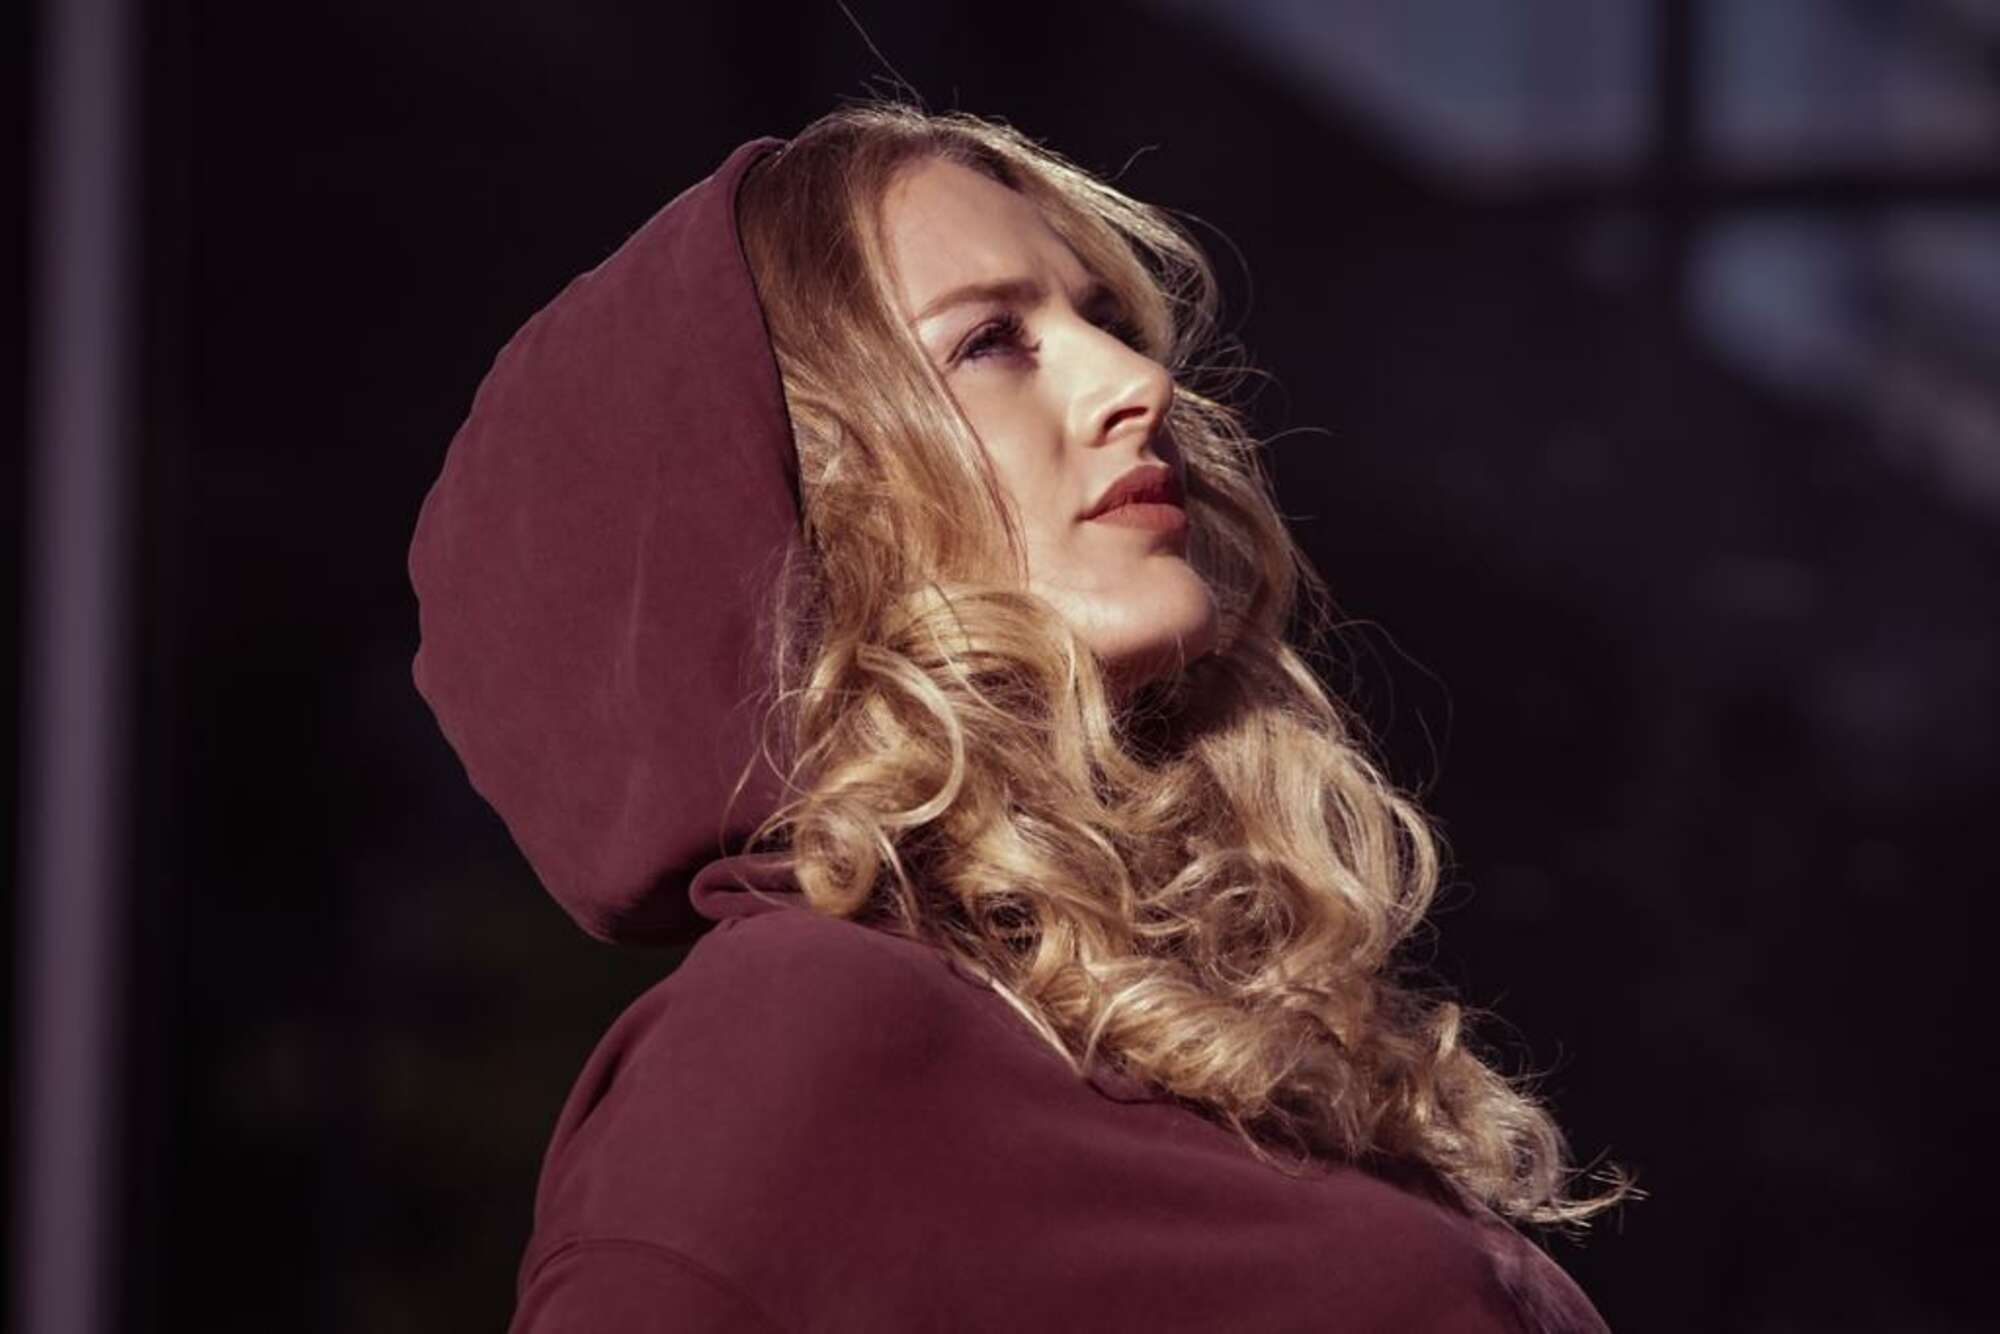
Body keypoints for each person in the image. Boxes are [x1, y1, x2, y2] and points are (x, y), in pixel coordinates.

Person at [408, 99, 1627, 1332]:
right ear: (802, 499)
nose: (1139, 380)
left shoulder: (1201, 1030)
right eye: (991, 339)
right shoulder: (796, 1032)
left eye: (1104, 321)